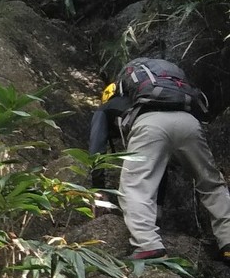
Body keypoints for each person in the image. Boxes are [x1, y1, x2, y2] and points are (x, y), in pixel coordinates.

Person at [89, 57, 230, 262]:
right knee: (211, 184)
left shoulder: (106, 108)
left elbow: (97, 147)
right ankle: (228, 242)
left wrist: (97, 189)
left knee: (135, 187)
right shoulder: (162, 94)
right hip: (189, 123)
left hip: (150, 125)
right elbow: (158, 169)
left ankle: (147, 245)